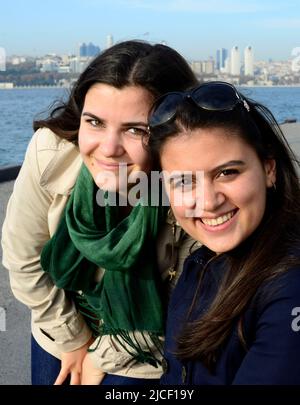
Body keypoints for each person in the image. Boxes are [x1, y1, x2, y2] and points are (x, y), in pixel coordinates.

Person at [1, 40, 198, 385]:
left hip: (146, 344)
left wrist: (100, 357)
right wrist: (74, 339)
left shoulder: (189, 186)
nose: (108, 149)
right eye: (94, 122)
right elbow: (23, 258)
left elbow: (186, 302)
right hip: (59, 325)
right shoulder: (51, 153)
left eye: (136, 129)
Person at [148, 81, 300, 384]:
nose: (208, 201)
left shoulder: (289, 287)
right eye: (183, 181)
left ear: (268, 169)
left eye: (227, 172)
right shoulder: (200, 263)